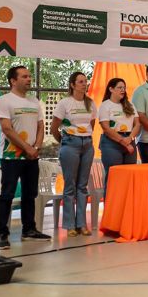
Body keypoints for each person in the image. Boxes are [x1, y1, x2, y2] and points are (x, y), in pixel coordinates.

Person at [0, 66, 52, 249]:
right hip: (11, 157)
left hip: (32, 157)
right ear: (13, 80)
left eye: (29, 76)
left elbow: (41, 126)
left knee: (30, 193)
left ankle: (29, 230)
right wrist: (27, 147)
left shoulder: (34, 101)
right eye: (24, 76)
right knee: (7, 194)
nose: (29, 79)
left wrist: (36, 147)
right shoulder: (3, 101)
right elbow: (6, 129)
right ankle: (1, 233)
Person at [51, 72, 97, 238]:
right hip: (70, 143)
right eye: (80, 82)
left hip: (87, 144)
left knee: (82, 186)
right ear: (72, 85)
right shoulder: (65, 103)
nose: (84, 84)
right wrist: (66, 141)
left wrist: (84, 137)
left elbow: (91, 124)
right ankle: (70, 225)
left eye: (86, 81)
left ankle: (82, 224)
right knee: (70, 185)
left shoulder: (90, 103)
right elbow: (54, 128)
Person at [98, 78, 141, 187]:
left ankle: (127, 204)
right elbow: (106, 128)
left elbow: (137, 124)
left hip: (129, 139)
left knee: (129, 177)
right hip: (112, 143)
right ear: (111, 89)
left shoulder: (130, 105)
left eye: (124, 88)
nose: (123, 90)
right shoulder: (105, 105)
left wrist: (130, 138)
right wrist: (124, 142)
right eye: (119, 87)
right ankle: (111, 204)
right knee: (114, 178)